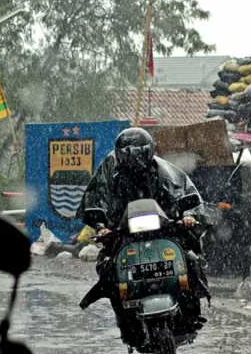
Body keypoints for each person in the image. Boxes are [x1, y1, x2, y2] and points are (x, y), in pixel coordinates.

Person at [75, 127, 210, 340]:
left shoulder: (165, 171)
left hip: (163, 227)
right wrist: (101, 225)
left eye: (135, 152)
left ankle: (192, 311)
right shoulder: (110, 169)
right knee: (109, 270)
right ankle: (125, 321)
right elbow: (94, 197)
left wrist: (188, 215)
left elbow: (187, 193)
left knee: (191, 260)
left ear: (147, 151)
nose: (130, 157)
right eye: (125, 152)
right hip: (123, 231)